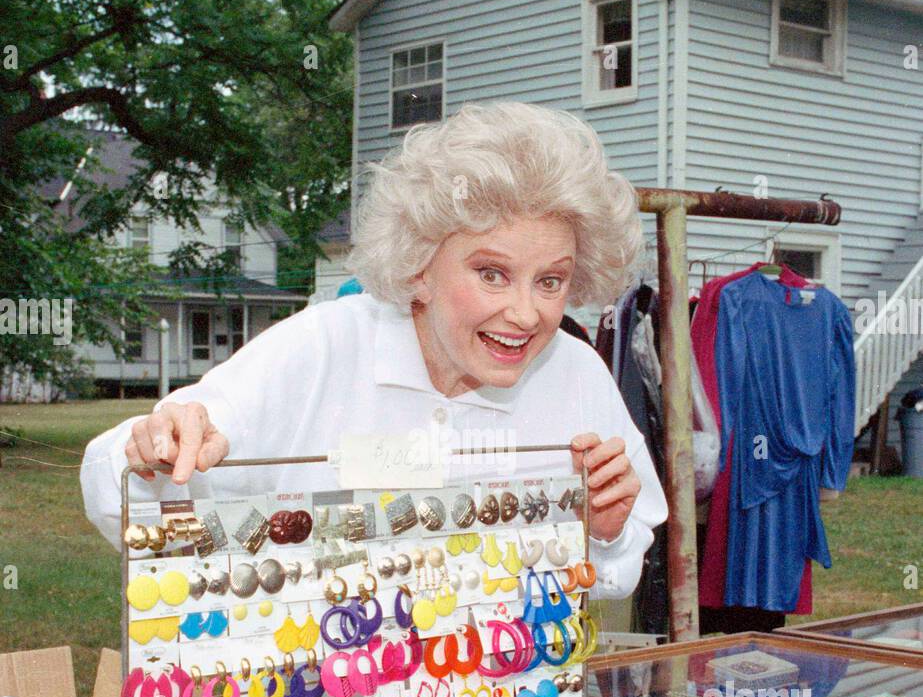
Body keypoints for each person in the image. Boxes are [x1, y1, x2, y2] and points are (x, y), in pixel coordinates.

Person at [81, 101, 668, 598]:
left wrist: (604, 531)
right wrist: (155, 450)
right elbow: (126, 497)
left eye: (550, 281)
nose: (526, 312)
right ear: (419, 268)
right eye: (492, 273)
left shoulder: (575, 373)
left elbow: (617, 572)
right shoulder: (321, 347)